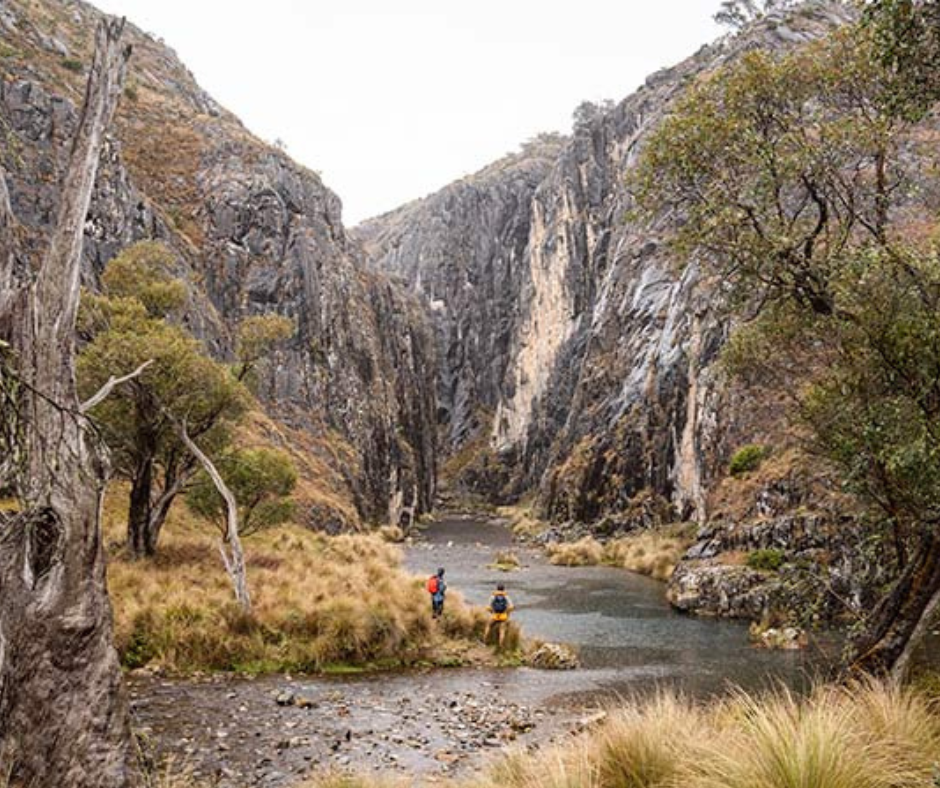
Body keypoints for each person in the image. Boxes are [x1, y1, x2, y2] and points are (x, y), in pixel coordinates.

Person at [484, 583, 514, 649]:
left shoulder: (493, 596)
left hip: (495, 615)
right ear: (503, 589)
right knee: (502, 631)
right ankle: (501, 646)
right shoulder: (506, 596)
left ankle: (485, 642)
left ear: (497, 589)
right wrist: (507, 613)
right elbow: (511, 607)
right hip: (503, 616)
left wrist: (492, 612)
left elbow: (488, 607)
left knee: (488, 626)